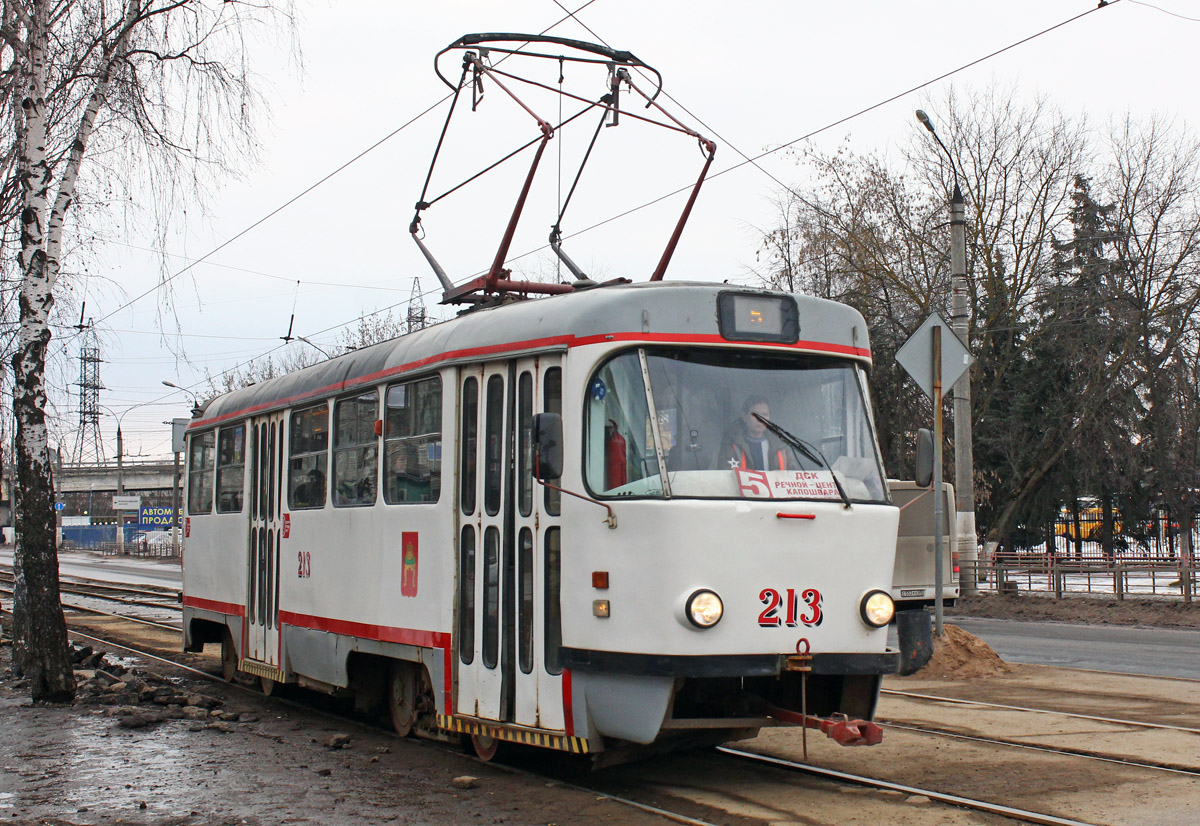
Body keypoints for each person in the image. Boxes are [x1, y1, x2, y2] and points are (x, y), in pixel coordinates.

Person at [716, 396, 788, 471]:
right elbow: (725, 475)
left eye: (765, 415)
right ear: (745, 417)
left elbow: (793, 475)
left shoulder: (781, 445)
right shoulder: (731, 444)